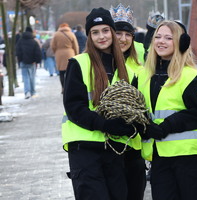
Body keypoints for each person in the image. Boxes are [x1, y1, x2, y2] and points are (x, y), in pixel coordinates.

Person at [61, 7, 138, 200]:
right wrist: (105, 124)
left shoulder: (124, 69)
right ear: (89, 36)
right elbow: (74, 107)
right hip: (85, 147)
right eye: (95, 32)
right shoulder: (79, 63)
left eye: (105, 30)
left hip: (114, 148)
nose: (101, 36)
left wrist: (130, 125)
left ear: (112, 32)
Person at [138, 20, 197, 200]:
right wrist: (143, 126)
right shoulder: (143, 76)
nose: (161, 41)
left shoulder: (189, 76)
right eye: (158, 37)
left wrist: (166, 126)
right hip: (159, 159)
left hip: (190, 159)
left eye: (168, 38)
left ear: (180, 42)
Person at [110, 3, 146, 200]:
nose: (123, 39)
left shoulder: (141, 66)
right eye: (118, 33)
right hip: (107, 145)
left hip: (134, 145)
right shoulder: (100, 64)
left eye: (128, 34)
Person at [51, 23, 79, 94]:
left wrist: (56, 52)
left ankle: (63, 88)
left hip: (59, 54)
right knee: (70, 72)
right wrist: (76, 54)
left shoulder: (56, 34)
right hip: (70, 53)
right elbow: (75, 46)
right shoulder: (71, 34)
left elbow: (53, 46)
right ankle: (69, 88)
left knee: (61, 73)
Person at [16, 26, 42, 99]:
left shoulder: (20, 41)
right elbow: (37, 52)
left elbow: (18, 51)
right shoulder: (34, 41)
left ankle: (27, 92)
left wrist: (20, 60)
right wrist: (37, 61)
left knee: (25, 77)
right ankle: (33, 91)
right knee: (32, 77)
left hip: (23, 62)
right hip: (32, 62)